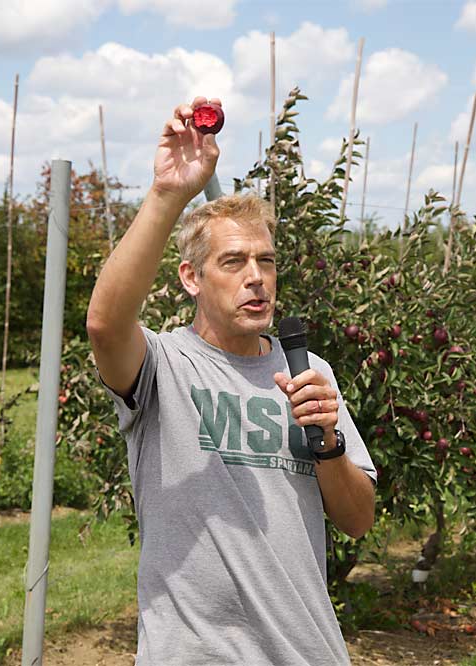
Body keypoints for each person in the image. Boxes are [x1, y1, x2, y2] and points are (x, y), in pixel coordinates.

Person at [86, 96, 377, 665]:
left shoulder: (307, 371)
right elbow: (104, 323)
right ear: (191, 277)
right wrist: (169, 194)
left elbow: (358, 519)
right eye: (234, 262)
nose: (256, 279)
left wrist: (328, 444)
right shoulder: (163, 367)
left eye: (265, 262)